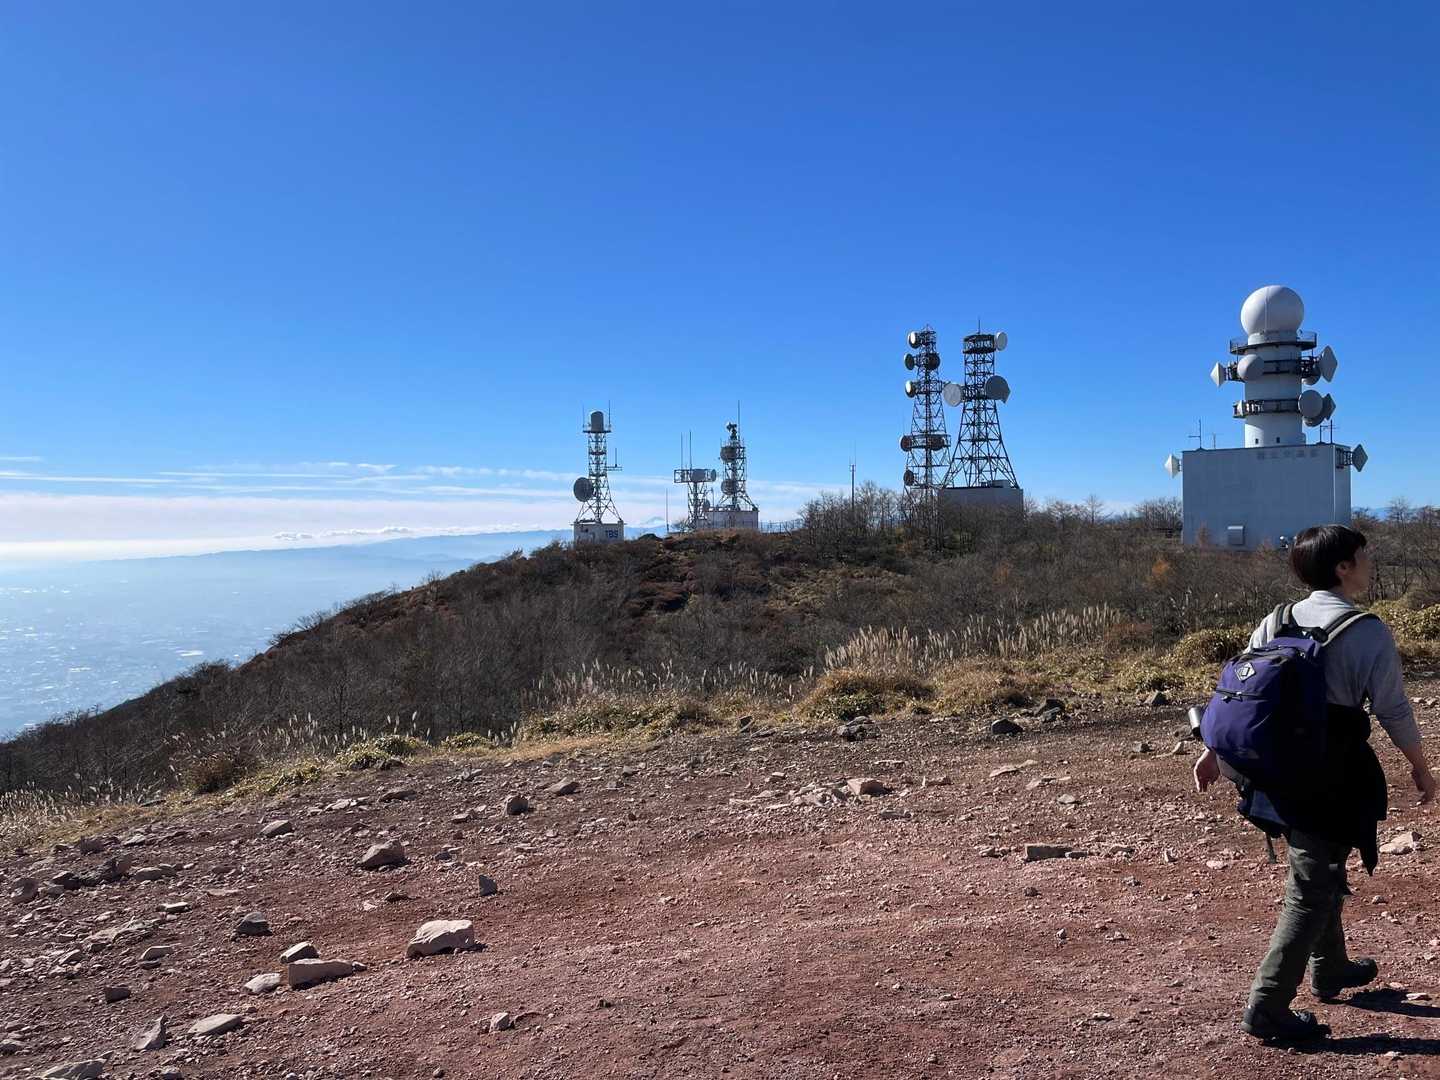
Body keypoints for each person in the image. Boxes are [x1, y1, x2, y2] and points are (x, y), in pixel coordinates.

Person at [1194, 524, 1436, 1041]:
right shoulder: (1367, 630)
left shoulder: (1278, 618)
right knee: (1311, 886)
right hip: (1329, 773)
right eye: (1363, 556)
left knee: (1319, 865)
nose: (1370, 563)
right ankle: (1268, 1006)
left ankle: (1332, 967)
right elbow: (1392, 709)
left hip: (1272, 770)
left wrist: (1213, 750)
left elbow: (1242, 691)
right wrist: (1420, 766)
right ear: (1343, 567)